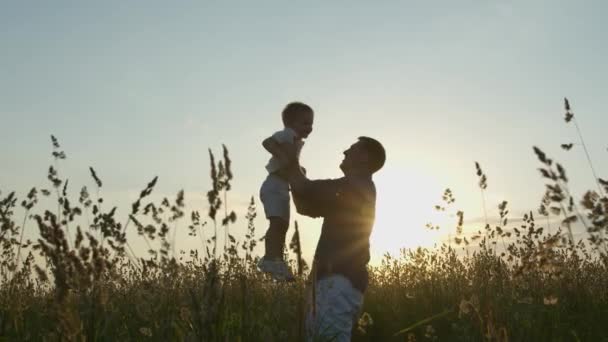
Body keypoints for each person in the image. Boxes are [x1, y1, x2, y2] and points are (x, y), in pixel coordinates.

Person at [287, 136, 386, 341]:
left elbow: (305, 189)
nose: (345, 152)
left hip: (337, 284)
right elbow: (305, 206)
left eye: (352, 149)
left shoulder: (355, 185)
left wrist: (290, 159)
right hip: (331, 284)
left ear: (364, 157)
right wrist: (296, 175)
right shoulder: (350, 191)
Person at [258, 102, 314, 281]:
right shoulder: (287, 134)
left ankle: (277, 260)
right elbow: (267, 142)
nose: (309, 127)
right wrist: (283, 158)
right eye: (305, 123)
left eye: (311, 123)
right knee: (277, 223)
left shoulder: (295, 140)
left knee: (282, 224)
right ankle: (270, 259)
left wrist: (299, 170)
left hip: (281, 188)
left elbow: (292, 165)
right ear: (291, 123)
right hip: (274, 185)